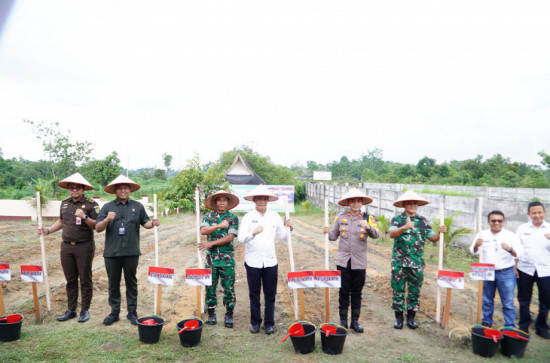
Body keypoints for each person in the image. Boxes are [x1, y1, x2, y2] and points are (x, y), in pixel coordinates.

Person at [95, 175, 160, 325]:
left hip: (131, 251)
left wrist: (153, 223)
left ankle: (132, 312)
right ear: (115, 191)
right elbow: (98, 228)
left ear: (130, 190)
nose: (122, 190)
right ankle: (114, 312)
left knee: (131, 282)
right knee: (113, 283)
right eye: (119, 188)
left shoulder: (137, 206)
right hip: (112, 252)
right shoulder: (107, 207)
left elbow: (146, 223)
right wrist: (107, 219)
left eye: (125, 188)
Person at [38, 172, 99, 323]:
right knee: (70, 280)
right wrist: (48, 230)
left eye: (78, 188)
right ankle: (71, 310)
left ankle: (84, 310)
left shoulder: (91, 205)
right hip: (66, 247)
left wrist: (84, 217)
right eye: (72, 188)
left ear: (83, 189)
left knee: (85, 279)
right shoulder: (65, 203)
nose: (74, 190)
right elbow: (61, 222)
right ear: (68, 189)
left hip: (84, 246)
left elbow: (97, 226)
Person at [238, 185, 293, 335]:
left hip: (270, 261)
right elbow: (241, 238)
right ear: (254, 200)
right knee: (254, 294)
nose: (262, 201)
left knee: (270, 294)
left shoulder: (274, 216)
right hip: (253, 261)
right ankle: (255, 322)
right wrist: (253, 233)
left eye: (264, 199)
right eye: (259, 199)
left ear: (268, 200)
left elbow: (282, 236)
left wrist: (289, 228)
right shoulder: (248, 217)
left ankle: (269, 323)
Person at [323, 188, 379, 332]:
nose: (355, 203)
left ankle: (355, 321)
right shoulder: (341, 217)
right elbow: (333, 236)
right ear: (348, 203)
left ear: (362, 203)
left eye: (358, 201)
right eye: (352, 201)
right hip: (343, 261)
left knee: (357, 292)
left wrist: (368, 227)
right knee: (343, 291)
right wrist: (326, 231)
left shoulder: (368, 218)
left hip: (359, 261)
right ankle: (343, 321)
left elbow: (376, 235)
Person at [389, 190, 446, 329]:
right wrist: (404, 227)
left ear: (418, 205)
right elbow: (392, 234)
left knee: (414, 291)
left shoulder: (423, 221)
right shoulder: (397, 220)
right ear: (403, 204)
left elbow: (432, 238)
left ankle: (411, 318)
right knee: (398, 289)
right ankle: (398, 319)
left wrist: (441, 233)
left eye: (415, 203)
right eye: (409, 203)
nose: (412, 205)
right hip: (399, 263)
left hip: (417, 263)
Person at [469, 210, 522, 328]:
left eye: (500, 221)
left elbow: (518, 253)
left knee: (508, 301)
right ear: (488, 222)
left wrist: (509, 249)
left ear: (503, 222)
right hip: (486, 272)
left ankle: (509, 325)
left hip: (505, 272)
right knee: (487, 299)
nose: (496, 223)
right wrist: (477, 245)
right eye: (493, 220)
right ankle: (487, 321)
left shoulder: (510, 235)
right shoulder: (482, 234)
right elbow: (472, 252)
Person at [198, 190, 239, 328]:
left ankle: (229, 314)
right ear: (215, 202)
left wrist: (211, 243)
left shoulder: (233, 218)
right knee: (210, 286)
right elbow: (203, 231)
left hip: (227, 259)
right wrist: (219, 225)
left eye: (224, 200)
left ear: (228, 202)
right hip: (211, 259)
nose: (222, 203)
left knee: (229, 287)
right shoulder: (208, 216)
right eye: (219, 200)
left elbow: (230, 237)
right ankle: (211, 313)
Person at [516, 201, 550, 338]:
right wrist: (514, 267)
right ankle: (524, 326)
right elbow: (516, 248)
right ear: (528, 214)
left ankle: (541, 327)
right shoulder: (522, 228)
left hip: (546, 270)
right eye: (534, 212)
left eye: (539, 212)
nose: (537, 215)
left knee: (546, 300)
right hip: (525, 268)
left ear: (544, 212)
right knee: (524, 299)